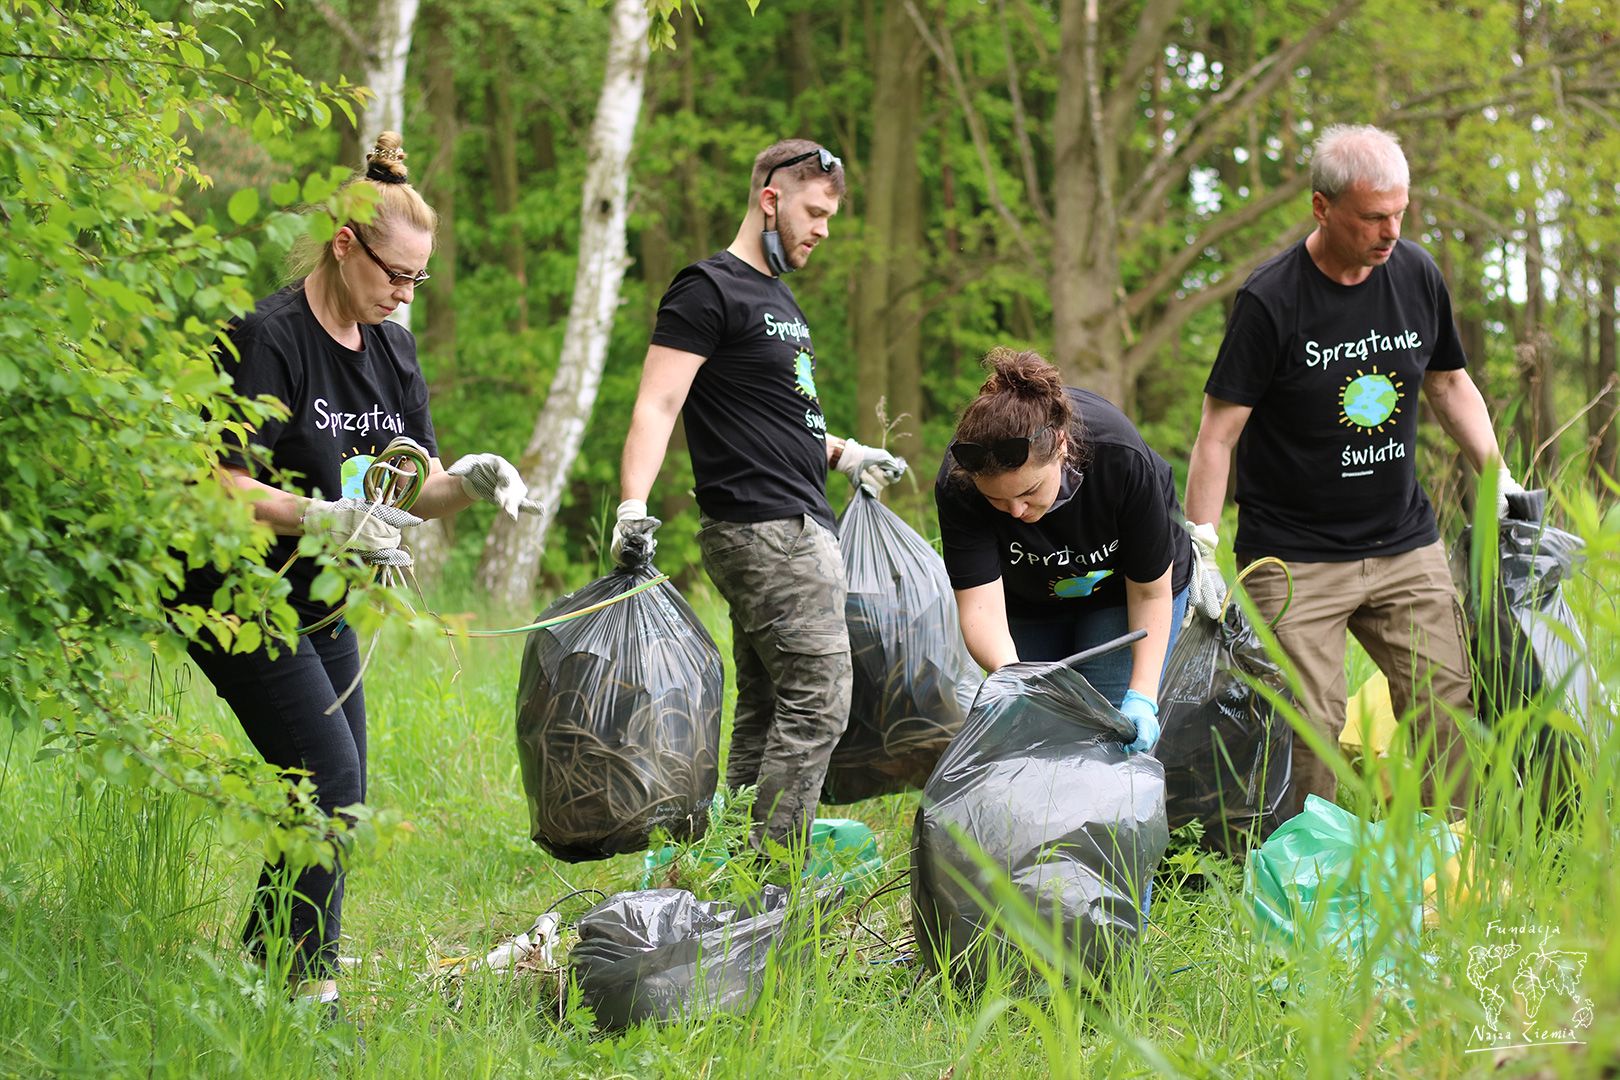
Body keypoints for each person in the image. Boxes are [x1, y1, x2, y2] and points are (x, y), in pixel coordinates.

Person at [176, 133, 542, 1013]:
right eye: (396, 276)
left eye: (419, 280)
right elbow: (215, 481)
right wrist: (322, 516)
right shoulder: (267, 338)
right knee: (328, 780)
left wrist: (472, 480)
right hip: (234, 590)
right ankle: (309, 992)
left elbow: (414, 486)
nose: (405, 294)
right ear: (345, 245)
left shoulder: (393, 353)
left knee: (337, 788)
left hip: (323, 594)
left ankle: (271, 970)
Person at [1184, 123, 1522, 818]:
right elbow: (1218, 433)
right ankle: (1310, 863)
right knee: (1308, 725)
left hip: (1403, 542)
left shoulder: (1417, 274)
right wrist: (1202, 544)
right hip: (1294, 554)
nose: (1391, 231)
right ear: (1322, 207)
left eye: (1399, 213)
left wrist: (1499, 476)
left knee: (1447, 704)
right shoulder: (1271, 300)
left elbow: (1449, 383)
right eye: (1373, 217)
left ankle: (1449, 851)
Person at [611, 139, 904, 850]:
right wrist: (632, 505)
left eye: (830, 218)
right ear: (771, 200)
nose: (823, 231)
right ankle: (773, 879)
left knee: (770, 706)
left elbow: (777, 414)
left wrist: (845, 453)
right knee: (821, 701)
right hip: (768, 529)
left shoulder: (780, 300)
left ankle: (731, 865)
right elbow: (658, 403)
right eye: (815, 213)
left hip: (797, 521)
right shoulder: (706, 288)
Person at [935, 348, 1193, 753]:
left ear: (1061, 446)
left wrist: (1142, 697)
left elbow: (1149, 593)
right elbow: (980, 608)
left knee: (1101, 735)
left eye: (1029, 491)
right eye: (997, 500)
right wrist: (1013, 678)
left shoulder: (1119, 456)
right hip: (1027, 598)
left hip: (1122, 593)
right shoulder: (960, 483)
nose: (1016, 512)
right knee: (1033, 734)